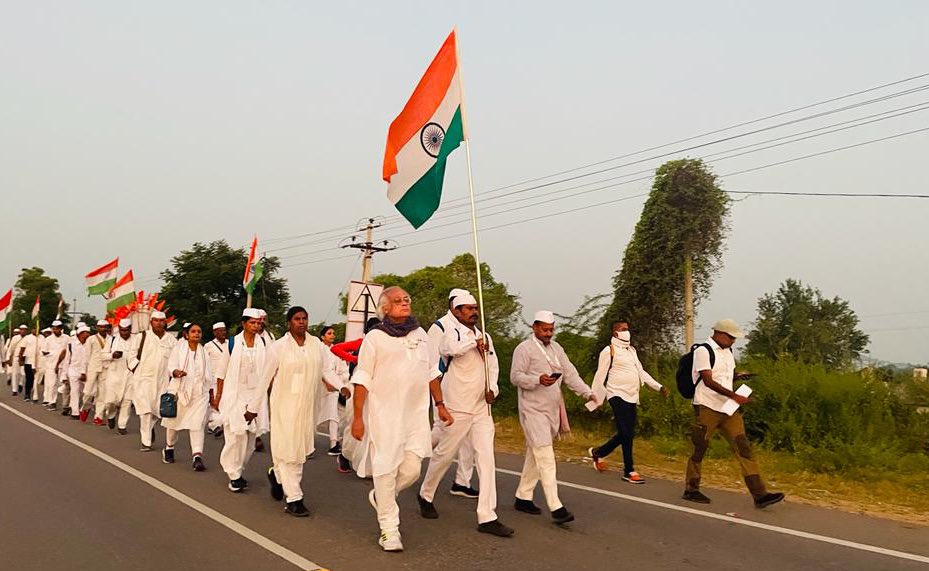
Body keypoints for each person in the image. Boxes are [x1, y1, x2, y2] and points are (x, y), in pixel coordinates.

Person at [350, 286, 452, 552]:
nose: (404, 303)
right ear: (385, 309)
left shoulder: (421, 334)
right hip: (385, 415)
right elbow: (362, 378)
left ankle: (385, 497)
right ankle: (389, 529)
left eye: (407, 299)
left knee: (412, 469)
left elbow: (432, 372)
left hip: (415, 416)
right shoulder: (375, 338)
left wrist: (440, 405)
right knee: (385, 469)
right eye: (397, 301)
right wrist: (357, 417)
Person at [418, 293, 514, 537]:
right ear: (456, 311)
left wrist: (493, 388)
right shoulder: (449, 331)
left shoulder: (486, 337)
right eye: (467, 309)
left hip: (482, 407)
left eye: (474, 308)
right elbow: (447, 349)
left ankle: (487, 516)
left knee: (486, 459)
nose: (473, 312)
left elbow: (493, 367)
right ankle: (426, 494)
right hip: (456, 404)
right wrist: (473, 344)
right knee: (444, 454)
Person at [244, 306, 337, 517]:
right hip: (284, 407)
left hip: (307, 407)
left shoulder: (316, 345)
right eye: (297, 319)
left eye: (305, 318)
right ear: (289, 323)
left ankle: (276, 476)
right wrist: (253, 408)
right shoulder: (279, 347)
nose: (301, 322)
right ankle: (294, 498)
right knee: (288, 451)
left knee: (299, 451)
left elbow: (326, 370)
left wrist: (344, 386)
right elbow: (265, 379)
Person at [683, 319, 785, 509]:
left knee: (743, 447)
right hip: (707, 407)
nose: (733, 341)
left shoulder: (728, 352)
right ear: (720, 334)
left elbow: (723, 375)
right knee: (700, 448)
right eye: (731, 337)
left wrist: (737, 376)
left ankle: (760, 494)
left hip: (728, 409)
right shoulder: (703, 351)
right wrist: (734, 395)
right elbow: (708, 381)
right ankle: (691, 488)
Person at [509, 310, 596, 524]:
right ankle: (556, 506)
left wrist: (588, 392)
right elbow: (515, 377)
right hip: (532, 410)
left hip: (552, 410)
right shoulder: (524, 349)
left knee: (536, 454)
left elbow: (570, 374)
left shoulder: (557, 349)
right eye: (545, 329)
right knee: (546, 456)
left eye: (551, 329)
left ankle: (523, 496)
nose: (548, 333)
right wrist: (538, 379)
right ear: (535, 328)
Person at [588, 321, 669, 483]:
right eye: (624, 329)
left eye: (628, 329)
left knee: (627, 433)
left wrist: (658, 387)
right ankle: (629, 470)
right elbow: (600, 375)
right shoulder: (609, 350)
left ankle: (599, 452)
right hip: (616, 394)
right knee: (626, 433)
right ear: (615, 333)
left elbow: (641, 373)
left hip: (632, 395)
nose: (627, 332)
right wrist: (595, 399)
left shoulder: (631, 351)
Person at [426, 288, 478, 499]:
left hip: (466, 391)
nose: (472, 311)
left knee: (468, 438)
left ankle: (462, 481)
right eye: (467, 307)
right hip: (442, 384)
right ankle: (409, 456)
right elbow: (432, 358)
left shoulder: (471, 328)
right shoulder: (440, 326)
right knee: (442, 430)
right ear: (454, 307)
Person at [217, 309, 270, 492]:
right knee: (235, 436)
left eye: (258, 323)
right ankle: (234, 475)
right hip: (235, 395)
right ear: (244, 324)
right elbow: (221, 373)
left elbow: (269, 370)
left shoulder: (263, 343)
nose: (256, 326)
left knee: (250, 439)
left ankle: (238, 469)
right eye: (252, 323)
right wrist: (217, 396)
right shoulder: (232, 343)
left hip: (255, 396)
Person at [162, 322, 214, 471]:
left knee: (197, 425)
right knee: (173, 424)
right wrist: (176, 372)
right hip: (180, 391)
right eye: (193, 331)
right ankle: (169, 447)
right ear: (186, 334)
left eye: (199, 331)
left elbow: (209, 375)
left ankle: (197, 456)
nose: (196, 334)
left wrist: (211, 395)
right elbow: (171, 366)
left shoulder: (204, 352)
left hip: (199, 394)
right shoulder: (179, 349)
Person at [127, 310, 176, 452]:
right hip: (143, 380)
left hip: (163, 381)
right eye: (156, 320)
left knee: (157, 411)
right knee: (145, 410)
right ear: (151, 322)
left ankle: (150, 427)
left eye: (161, 321)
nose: (159, 323)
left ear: (165, 322)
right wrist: (135, 368)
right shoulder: (142, 337)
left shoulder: (172, 340)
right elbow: (131, 355)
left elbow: (176, 360)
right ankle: (146, 442)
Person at [316, 325, 350, 456]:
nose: (332, 335)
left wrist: (342, 384)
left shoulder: (336, 350)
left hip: (336, 387)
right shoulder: (319, 349)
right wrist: (326, 382)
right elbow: (319, 369)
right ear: (323, 337)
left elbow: (342, 368)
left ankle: (335, 443)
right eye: (329, 333)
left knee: (337, 415)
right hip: (323, 386)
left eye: (333, 333)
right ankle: (307, 442)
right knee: (317, 414)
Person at [102, 319, 134, 432]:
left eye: (126, 330)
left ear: (130, 329)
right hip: (114, 375)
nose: (124, 333)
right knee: (110, 401)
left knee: (127, 401)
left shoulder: (136, 340)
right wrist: (112, 355)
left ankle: (122, 426)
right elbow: (102, 355)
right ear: (119, 329)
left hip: (130, 375)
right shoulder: (112, 340)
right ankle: (111, 415)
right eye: (122, 330)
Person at [80, 320, 111, 424]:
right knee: (88, 392)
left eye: (105, 327)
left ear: (107, 328)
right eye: (100, 327)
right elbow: (86, 356)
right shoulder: (91, 339)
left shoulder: (111, 339)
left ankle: (98, 417)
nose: (103, 329)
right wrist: (83, 371)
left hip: (105, 368)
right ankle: (85, 408)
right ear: (97, 328)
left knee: (102, 393)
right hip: (92, 367)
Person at [205, 321, 231, 437]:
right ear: (215, 332)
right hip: (214, 378)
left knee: (225, 402)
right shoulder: (208, 346)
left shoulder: (230, 344)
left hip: (227, 377)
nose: (223, 332)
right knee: (215, 403)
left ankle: (219, 424)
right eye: (220, 330)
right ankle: (214, 425)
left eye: (224, 330)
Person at [41, 321, 69, 409]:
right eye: (53, 328)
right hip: (51, 364)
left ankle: (66, 404)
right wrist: (50, 353)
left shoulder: (67, 338)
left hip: (64, 364)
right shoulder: (48, 339)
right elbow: (43, 351)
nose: (55, 330)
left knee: (63, 384)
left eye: (57, 328)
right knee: (52, 384)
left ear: (61, 328)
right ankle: (52, 402)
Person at [4, 325, 27, 396]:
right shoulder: (15, 338)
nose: (23, 331)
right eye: (22, 329)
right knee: (15, 374)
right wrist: (8, 358)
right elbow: (10, 348)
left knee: (23, 373)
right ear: (20, 330)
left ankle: (20, 383)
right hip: (16, 358)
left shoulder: (28, 338)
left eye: (24, 329)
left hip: (25, 358)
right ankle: (14, 390)